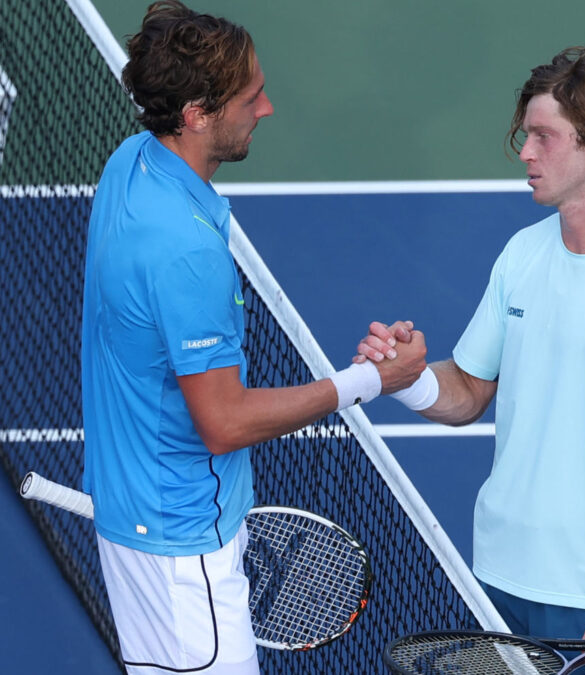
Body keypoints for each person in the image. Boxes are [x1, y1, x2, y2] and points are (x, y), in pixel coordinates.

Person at [360, 47, 585, 675]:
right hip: (499, 573)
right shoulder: (521, 255)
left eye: (543, 137)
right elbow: (469, 391)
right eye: (525, 135)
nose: (525, 153)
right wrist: (410, 379)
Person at [80, 3, 425, 673]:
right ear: (196, 115)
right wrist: (368, 382)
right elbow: (223, 422)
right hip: (182, 547)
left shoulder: (132, 164)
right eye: (249, 97)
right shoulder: (185, 250)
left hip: (135, 507)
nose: (265, 108)